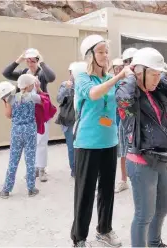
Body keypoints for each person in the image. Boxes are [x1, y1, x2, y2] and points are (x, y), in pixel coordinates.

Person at [116, 47, 167, 247]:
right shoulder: (127, 90)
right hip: (141, 161)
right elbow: (125, 101)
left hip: (161, 157)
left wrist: (158, 78)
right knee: (144, 214)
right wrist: (131, 75)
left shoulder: (157, 90)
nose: (157, 79)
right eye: (153, 75)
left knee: (164, 205)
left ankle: (154, 242)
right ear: (139, 72)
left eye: (158, 75)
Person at [71, 34, 129, 247]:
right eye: (101, 52)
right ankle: (79, 238)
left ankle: (104, 230)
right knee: (85, 192)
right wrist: (117, 77)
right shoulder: (82, 78)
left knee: (106, 190)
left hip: (109, 141)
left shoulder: (108, 79)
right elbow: (94, 94)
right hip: (87, 143)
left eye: (106, 52)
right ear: (90, 55)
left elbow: (118, 102)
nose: (105, 56)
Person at [2, 48, 56, 182]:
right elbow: (6, 73)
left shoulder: (42, 74)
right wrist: (18, 60)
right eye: (28, 61)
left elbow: (52, 77)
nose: (30, 63)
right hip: (28, 111)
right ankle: (33, 169)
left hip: (41, 108)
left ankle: (41, 168)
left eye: (33, 60)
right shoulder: (23, 73)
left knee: (42, 140)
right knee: (32, 142)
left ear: (37, 60)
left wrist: (42, 63)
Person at [0, 74, 42, 198]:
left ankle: (6, 190)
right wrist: (38, 89)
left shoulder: (11, 98)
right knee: (30, 160)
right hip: (30, 130)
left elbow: (8, 115)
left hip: (16, 130)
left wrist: (5, 103)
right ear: (28, 86)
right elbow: (43, 101)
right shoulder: (33, 97)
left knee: (13, 160)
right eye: (32, 84)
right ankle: (31, 189)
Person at [55, 62, 87, 178]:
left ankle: (82, 168)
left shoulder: (85, 84)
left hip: (82, 120)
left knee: (82, 145)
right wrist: (66, 89)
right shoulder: (65, 85)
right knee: (71, 146)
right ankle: (74, 169)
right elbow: (59, 99)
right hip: (68, 120)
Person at [112, 57, 130, 193]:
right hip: (117, 122)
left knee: (130, 152)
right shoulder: (111, 82)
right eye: (115, 68)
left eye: (120, 68)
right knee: (122, 153)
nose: (118, 70)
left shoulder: (128, 82)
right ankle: (123, 180)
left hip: (129, 121)